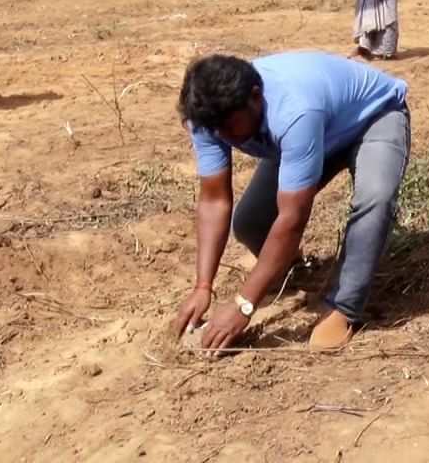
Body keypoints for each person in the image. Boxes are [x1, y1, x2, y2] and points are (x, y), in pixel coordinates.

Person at [172, 51, 411, 352]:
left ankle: (343, 307)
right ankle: (294, 269)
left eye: (230, 127)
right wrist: (203, 286)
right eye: (215, 130)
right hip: (313, 134)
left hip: (373, 118)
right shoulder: (208, 116)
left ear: (256, 98)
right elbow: (214, 201)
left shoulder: (294, 110)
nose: (224, 136)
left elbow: (292, 219)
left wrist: (244, 304)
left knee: (375, 199)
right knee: (251, 222)